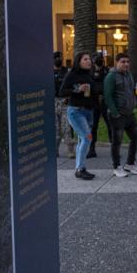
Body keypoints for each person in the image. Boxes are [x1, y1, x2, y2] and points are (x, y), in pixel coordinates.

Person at [59, 51, 100, 180]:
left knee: (83, 139)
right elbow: (62, 91)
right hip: (76, 111)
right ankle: (80, 169)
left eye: (89, 59)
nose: (89, 61)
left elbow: (94, 94)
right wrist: (77, 89)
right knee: (87, 137)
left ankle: (80, 167)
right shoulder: (72, 75)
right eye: (85, 59)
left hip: (89, 111)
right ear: (79, 61)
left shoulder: (89, 75)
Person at [104, 53, 137, 178]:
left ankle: (130, 164)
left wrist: (135, 98)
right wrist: (114, 113)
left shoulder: (129, 75)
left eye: (127, 61)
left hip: (129, 114)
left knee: (136, 137)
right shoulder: (111, 76)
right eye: (123, 62)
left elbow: (130, 91)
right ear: (117, 62)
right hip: (118, 115)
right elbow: (108, 96)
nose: (126, 64)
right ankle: (117, 167)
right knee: (117, 142)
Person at [88, 52, 111, 159]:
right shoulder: (90, 72)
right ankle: (91, 149)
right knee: (93, 127)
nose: (99, 61)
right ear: (93, 60)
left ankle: (114, 148)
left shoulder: (107, 71)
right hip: (94, 102)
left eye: (101, 59)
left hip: (106, 102)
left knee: (110, 125)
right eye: (97, 59)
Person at [53, 51, 76, 159]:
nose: (59, 60)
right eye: (56, 58)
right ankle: (55, 150)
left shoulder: (67, 71)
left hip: (64, 101)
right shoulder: (47, 71)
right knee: (55, 128)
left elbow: (72, 85)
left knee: (67, 127)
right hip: (52, 102)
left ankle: (70, 150)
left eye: (60, 58)